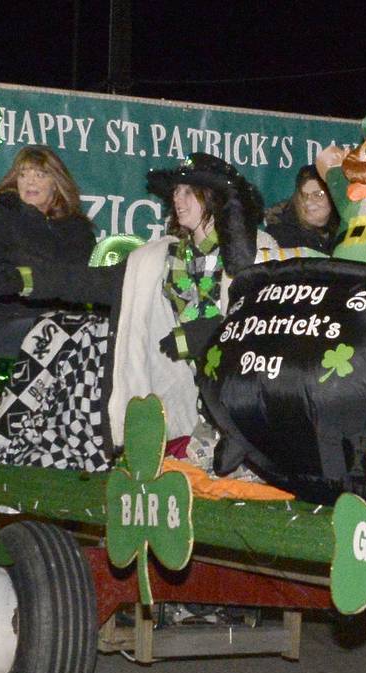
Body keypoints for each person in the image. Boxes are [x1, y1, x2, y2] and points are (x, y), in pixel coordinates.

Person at [107, 152, 273, 452]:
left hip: (240, 392)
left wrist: (208, 333)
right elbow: (95, 283)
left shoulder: (257, 250)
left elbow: (262, 323)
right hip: (182, 393)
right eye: (175, 192)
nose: (178, 200)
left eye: (188, 192)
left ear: (213, 198)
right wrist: (26, 279)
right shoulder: (158, 257)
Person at [0, 144, 122, 358]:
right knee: (65, 337)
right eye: (23, 175)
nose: (30, 181)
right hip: (7, 323)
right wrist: (25, 281)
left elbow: (87, 285)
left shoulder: (78, 230)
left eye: (39, 175)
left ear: (56, 183)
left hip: (65, 325)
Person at [264, 164, 338, 254]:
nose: (308, 202)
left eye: (318, 195)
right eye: (304, 195)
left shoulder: (344, 231)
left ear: (333, 196)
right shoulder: (282, 235)